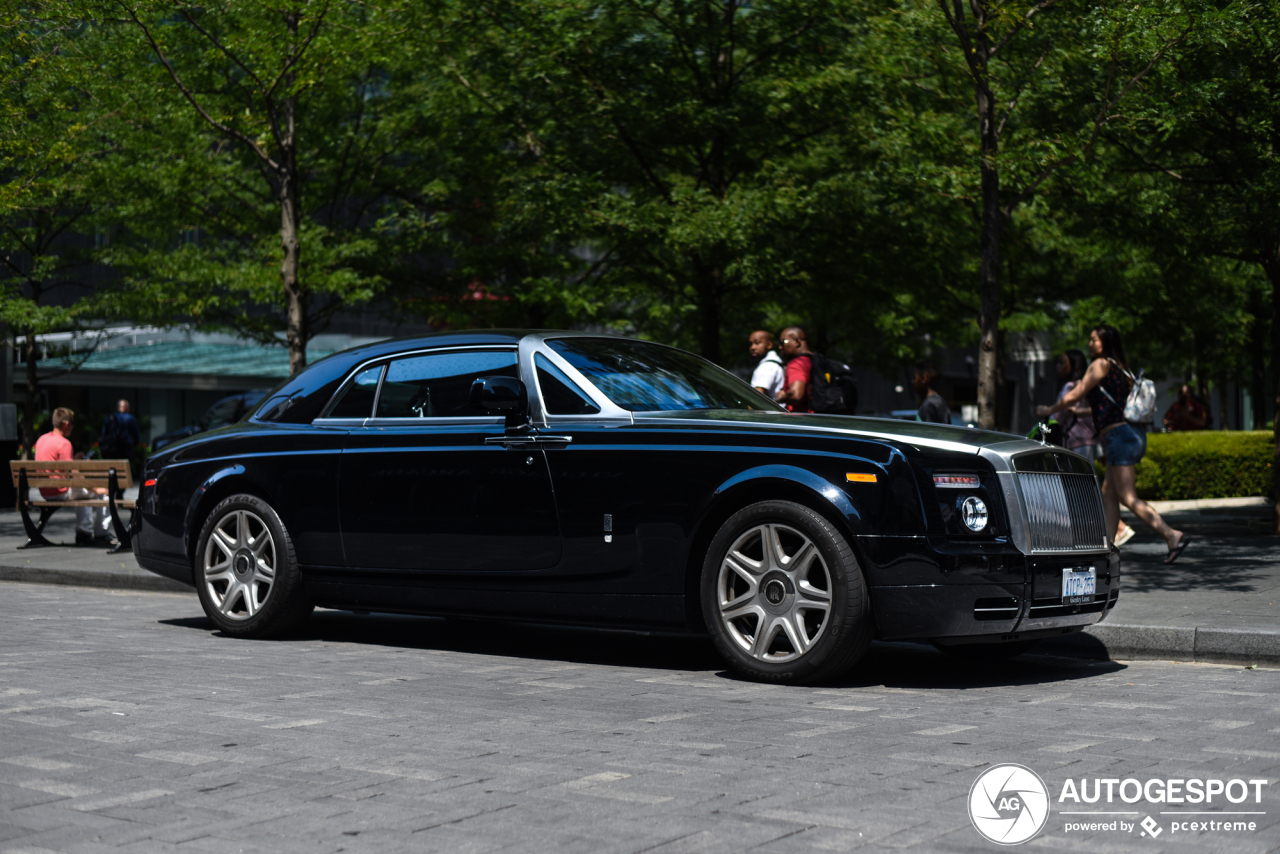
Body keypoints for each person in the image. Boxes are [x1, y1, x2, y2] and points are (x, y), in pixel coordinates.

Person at [1038, 325, 1189, 563]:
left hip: (1120, 436)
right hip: (1127, 433)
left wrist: (1050, 409)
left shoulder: (1100, 364)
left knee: (1129, 497)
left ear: (1105, 342)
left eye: (1094, 340)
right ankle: (1106, 548)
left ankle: (1171, 535)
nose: (1089, 344)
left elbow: (1076, 393)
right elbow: (1107, 407)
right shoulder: (1122, 369)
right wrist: (1081, 411)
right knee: (1109, 492)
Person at [34, 407, 112, 546]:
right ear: (66, 424)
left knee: (81, 493)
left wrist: (73, 459)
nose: (73, 427)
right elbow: (75, 477)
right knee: (105, 493)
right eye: (72, 423)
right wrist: (97, 489)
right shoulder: (64, 443)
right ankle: (100, 533)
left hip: (45, 491)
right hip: (60, 491)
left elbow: (58, 464)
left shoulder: (42, 439)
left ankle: (84, 532)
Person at [775, 326, 814, 413]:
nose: (780, 347)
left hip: (803, 421)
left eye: (783, 342)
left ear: (797, 342)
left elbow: (795, 395)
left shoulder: (797, 363)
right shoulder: (816, 360)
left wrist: (779, 396)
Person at [748, 330, 785, 400]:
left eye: (757, 343)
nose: (752, 347)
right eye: (750, 344)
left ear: (769, 345)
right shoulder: (775, 362)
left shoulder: (767, 366)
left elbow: (756, 397)